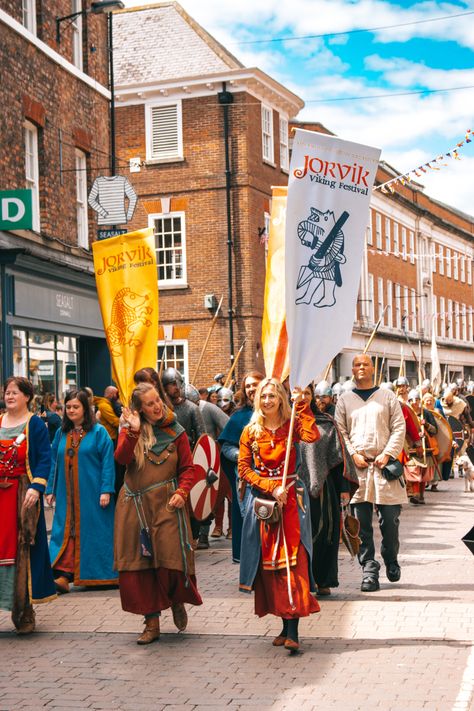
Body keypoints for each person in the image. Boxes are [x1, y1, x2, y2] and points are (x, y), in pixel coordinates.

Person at [114, 382, 202, 645]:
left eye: (157, 401)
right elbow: (122, 459)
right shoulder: (130, 429)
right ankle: (151, 623)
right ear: (139, 409)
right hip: (135, 505)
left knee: (171, 561)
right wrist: (132, 431)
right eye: (149, 404)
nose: (156, 406)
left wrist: (182, 492)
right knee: (139, 567)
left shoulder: (176, 431)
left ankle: (175, 599)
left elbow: (189, 469)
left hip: (167, 503)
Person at [238, 378, 321, 653]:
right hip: (266, 502)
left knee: (293, 562)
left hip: (292, 504)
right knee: (271, 567)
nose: (267, 401)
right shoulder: (250, 432)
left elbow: (312, 436)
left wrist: (303, 406)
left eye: (272, 396)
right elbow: (244, 469)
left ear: (281, 399)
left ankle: (294, 630)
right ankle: (285, 626)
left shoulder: (292, 424)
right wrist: (270, 486)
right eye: (263, 396)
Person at [335, 354, 406, 592]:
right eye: (357, 364)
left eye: (365, 364)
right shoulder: (344, 399)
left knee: (390, 522)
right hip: (358, 470)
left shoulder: (387, 396)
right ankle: (369, 569)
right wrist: (353, 454)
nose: (361, 367)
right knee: (361, 525)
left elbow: (399, 427)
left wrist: (387, 454)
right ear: (352, 369)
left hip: (384, 467)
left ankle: (390, 556)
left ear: (372, 368)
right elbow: (340, 431)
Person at [46, 389, 117, 593]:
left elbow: (107, 463)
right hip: (66, 494)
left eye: (76, 406)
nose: (71, 410)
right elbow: (54, 462)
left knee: (93, 532)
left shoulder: (99, 432)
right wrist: (50, 488)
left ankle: (100, 574)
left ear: (85, 409)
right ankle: (64, 575)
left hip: (92, 494)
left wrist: (106, 490)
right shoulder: (61, 433)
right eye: (68, 406)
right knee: (65, 531)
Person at [0, 376, 56, 634]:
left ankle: (24, 611)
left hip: (22, 496)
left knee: (22, 550)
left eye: (14, 392)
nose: (9, 396)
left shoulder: (35, 424)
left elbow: (45, 459)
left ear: (26, 396)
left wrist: (36, 487)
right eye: (7, 392)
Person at [299, 384, 359, 596]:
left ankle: (323, 579)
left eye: (307, 393)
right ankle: (302, 582)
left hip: (323, 489)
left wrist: (344, 489)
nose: (302, 397)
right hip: (292, 490)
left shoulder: (326, 423)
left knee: (324, 534)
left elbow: (338, 457)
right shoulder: (284, 425)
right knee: (297, 537)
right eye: (298, 393)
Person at [218, 370, 265, 563]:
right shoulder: (238, 417)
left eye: (256, 383)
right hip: (248, 479)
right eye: (248, 386)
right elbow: (226, 446)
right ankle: (249, 564)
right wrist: (243, 456)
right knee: (248, 520)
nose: (252, 388)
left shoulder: (279, 413)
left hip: (274, 477)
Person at [405, 390, 438, 504]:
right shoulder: (407, 413)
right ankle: (415, 494)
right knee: (414, 471)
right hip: (411, 446)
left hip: (425, 446)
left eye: (417, 399)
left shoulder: (426, 413)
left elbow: (435, 430)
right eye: (412, 400)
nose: (415, 402)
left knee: (423, 472)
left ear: (420, 400)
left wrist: (426, 425)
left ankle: (421, 495)